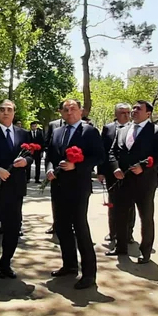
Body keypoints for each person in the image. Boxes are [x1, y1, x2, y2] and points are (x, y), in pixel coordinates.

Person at [43, 99, 105, 288]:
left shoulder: (89, 131)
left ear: (81, 111)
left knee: (80, 228)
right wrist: (49, 169)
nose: (69, 112)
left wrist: (76, 165)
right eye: (66, 109)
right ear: (61, 112)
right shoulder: (57, 131)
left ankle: (89, 274)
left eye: (73, 109)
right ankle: (69, 265)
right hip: (59, 186)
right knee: (61, 228)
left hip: (79, 187)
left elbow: (99, 156)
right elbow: (51, 155)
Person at [106, 100, 158, 264]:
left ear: (148, 113)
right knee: (120, 215)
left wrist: (144, 166)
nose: (134, 111)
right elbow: (112, 152)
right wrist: (115, 168)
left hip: (145, 182)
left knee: (145, 217)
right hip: (123, 181)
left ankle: (145, 251)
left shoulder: (157, 132)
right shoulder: (123, 130)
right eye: (133, 108)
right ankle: (120, 246)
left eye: (138, 109)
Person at [0, 100, 32, 278]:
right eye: (2, 110)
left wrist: (26, 162)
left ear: (14, 113)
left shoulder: (23, 134)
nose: (5, 113)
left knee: (13, 227)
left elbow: (31, 155)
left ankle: (6, 262)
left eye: (9, 110)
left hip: (16, 188)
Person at [98, 103, 132, 246]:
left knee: (130, 205)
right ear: (116, 114)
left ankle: (128, 234)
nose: (125, 115)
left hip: (130, 173)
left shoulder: (134, 128)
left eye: (127, 112)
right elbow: (103, 151)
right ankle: (113, 232)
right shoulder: (108, 128)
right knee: (113, 204)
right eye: (122, 112)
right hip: (112, 173)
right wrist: (101, 172)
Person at [44, 110, 63, 235]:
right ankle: (56, 224)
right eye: (65, 109)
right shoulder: (54, 125)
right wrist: (49, 168)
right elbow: (48, 147)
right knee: (56, 200)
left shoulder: (86, 127)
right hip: (56, 171)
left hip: (75, 173)